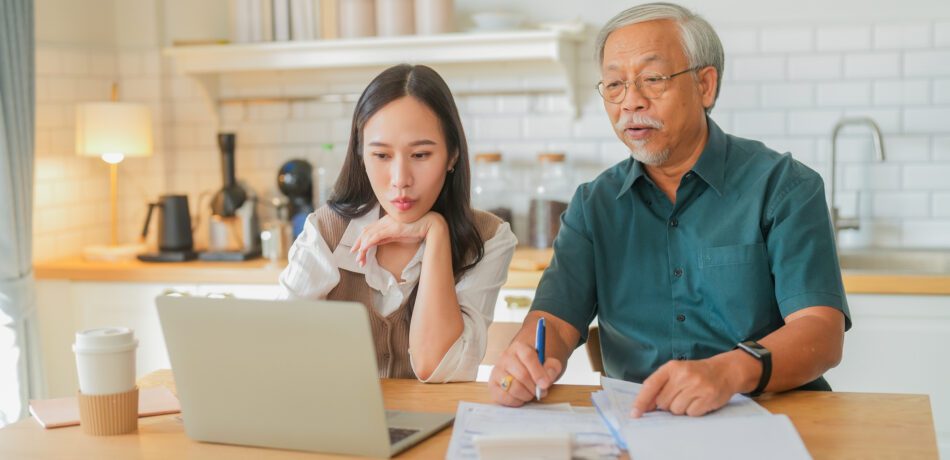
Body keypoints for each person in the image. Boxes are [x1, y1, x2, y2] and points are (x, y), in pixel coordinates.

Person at [490, 2, 850, 417]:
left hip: (775, 420)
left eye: (652, 79)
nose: (631, 102)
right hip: (642, 423)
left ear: (705, 85)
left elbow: (820, 331)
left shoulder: (784, 186)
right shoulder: (593, 205)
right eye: (615, 84)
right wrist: (523, 359)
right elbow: (553, 321)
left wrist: (729, 371)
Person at [279, 64, 517, 382]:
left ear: (452, 156)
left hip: (440, 415)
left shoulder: (489, 238)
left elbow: (438, 367)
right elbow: (279, 347)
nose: (400, 179)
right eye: (381, 156)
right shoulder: (326, 231)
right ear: (361, 156)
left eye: (420, 155)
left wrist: (436, 232)